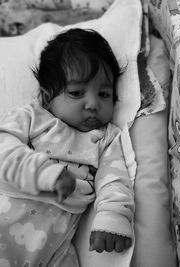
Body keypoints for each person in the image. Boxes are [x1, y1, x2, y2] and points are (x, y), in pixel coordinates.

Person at [0, 28, 134, 266]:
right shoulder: (32, 117)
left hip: (56, 246)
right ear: (46, 96)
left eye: (104, 93)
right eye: (76, 92)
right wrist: (44, 173)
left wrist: (113, 217)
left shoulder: (106, 137)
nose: (93, 104)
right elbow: (4, 149)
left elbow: (115, 179)